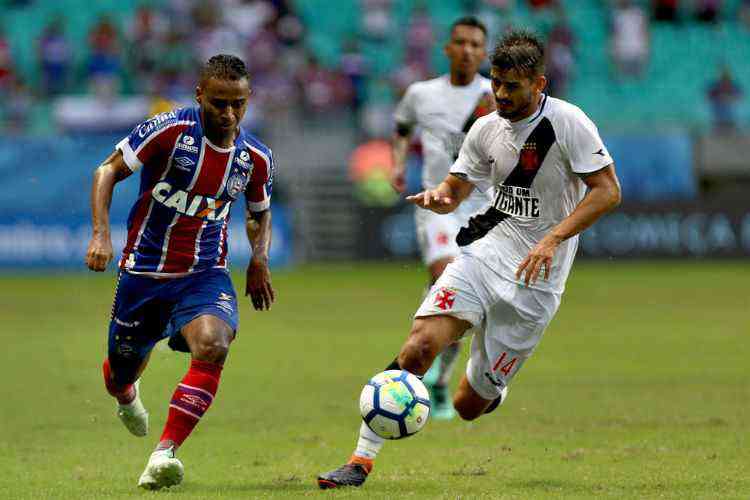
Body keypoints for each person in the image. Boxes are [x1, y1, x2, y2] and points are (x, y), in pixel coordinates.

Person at [318, 30, 621, 489]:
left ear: (538, 84)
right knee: (419, 346)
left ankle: (490, 387)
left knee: (467, 407)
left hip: (536, 281)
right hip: (486, 254)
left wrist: (553, 239)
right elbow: (457, 187)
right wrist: (441, 197)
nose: (499, 93)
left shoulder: (569, 123)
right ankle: (360, 461)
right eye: (496, 82)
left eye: (511, 86)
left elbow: (608, 191)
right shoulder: (486, 126)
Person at [85, 54, 276, 490]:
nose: (229, 114)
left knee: (213, 344)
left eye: (238, 104)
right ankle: (127, 395)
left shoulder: (255, 157)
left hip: (204, 273)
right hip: (143, 274)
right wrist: (100, 235)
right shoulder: (169, 130)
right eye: (219, 104)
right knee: (121, 371)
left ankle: (163, 453)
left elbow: (258, 212)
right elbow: (106, 171)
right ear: (200, 96)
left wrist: (259, 259)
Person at [390, 16, 495, 420]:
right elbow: (401, 128)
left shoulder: (494, 95)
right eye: (460, 43)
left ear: (483, 53)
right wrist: (398, 165)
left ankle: (436, 379)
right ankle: (421, 373)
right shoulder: (421, 93)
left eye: (475, 45)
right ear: (447, 48)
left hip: (482, 209)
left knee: (457, 298)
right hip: (438, 202)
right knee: (446, 273)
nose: (467, 50)